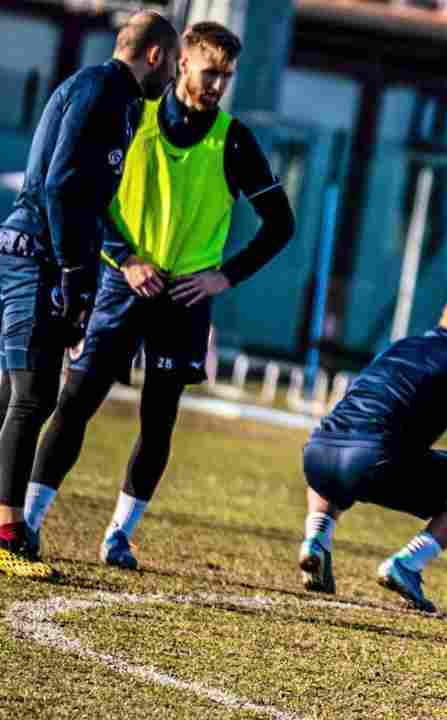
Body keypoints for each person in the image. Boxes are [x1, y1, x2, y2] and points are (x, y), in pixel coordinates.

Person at [19, 22, 295, 571]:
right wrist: (125, 258)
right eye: (210, 71)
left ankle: (119, 534)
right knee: (74, 405)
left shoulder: (234, 139)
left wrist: (225, 276)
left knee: (159, 420)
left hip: (186, 300)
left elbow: (280, 224)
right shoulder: (133, 116)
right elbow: (90, 195)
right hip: (122, 286)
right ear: (181, 64)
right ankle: (26, 521)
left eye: (227, 76)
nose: (218, 84)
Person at [0, 10, 178, 579]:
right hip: (39, 253)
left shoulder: (114, 97)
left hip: (48, 253)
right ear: (156, 55)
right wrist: (75, 271)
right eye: (173, 63)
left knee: (17, 394)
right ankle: (7, 535)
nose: (172, 77)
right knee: (31, 396)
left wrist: (107, 260)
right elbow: (59, 186)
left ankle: (8, 524)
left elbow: (89, 197)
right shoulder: (103, 90)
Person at [297, 288, 447, 612]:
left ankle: (316, 539)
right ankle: (408, 564)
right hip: (373, 461)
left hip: (316, 455)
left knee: (339, 445)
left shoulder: (402, 345)